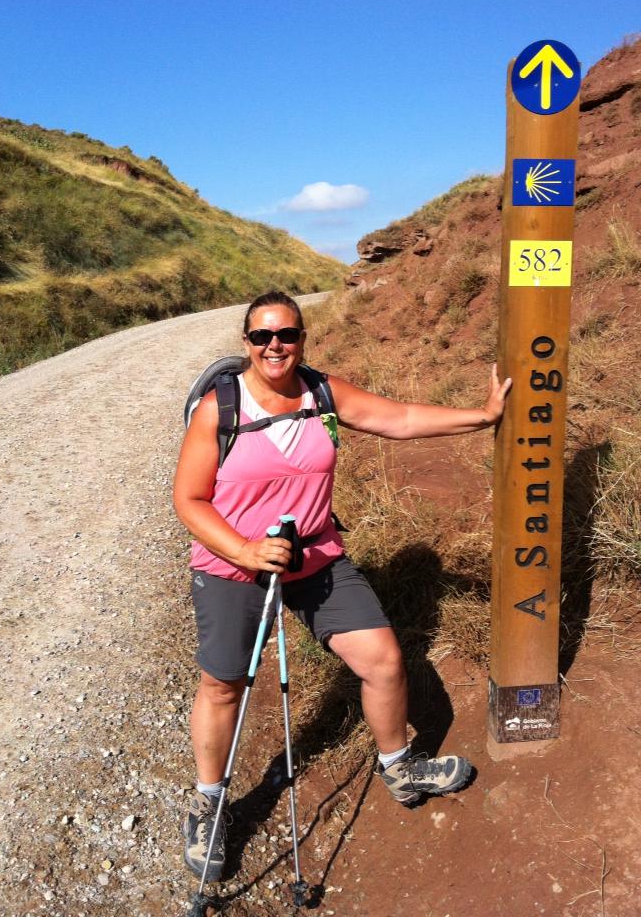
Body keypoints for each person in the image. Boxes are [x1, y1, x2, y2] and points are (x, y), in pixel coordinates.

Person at [173, 290, 511, 880]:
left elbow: (398, 419)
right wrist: (247, 549)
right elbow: (189, 500)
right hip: (232, 566)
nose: (274, 345)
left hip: (316, 559)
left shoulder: (322, 392)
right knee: (223, 684)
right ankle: (210, 803)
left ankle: (399, 765)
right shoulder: (218, 409)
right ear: (246, 343)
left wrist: (480, 417)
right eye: (261, 336)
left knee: (382, 659)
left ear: (302, 338)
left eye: (286, 335)